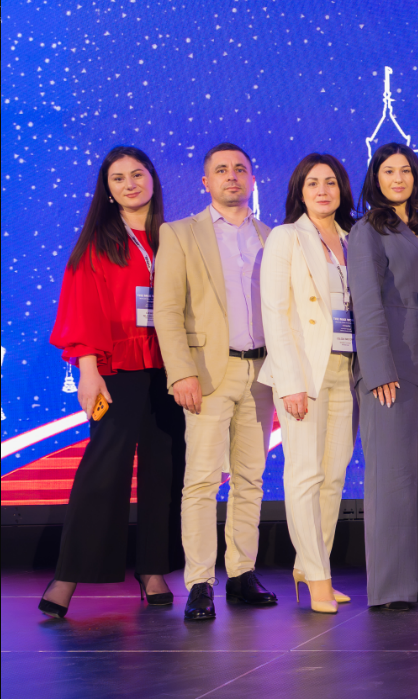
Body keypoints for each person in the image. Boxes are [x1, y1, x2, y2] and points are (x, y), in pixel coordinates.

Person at [40, 146, 186, 618]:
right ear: (107, 190)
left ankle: (154, 569)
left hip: (170, 366)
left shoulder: (173, 237)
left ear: (153, 180)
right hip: (115, 367)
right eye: (118, 178)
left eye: (137, 174)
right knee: (104, 470)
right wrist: (88, 370)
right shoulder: (98, 242)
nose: (129, 184)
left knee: (165, 469)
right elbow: (81, 309)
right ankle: (68, 575)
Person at [155, 143, 278, 621]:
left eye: (240, 169)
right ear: (206, 182)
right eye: (221, 170)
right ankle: (200, 582)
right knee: (202, 480)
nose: (232, 176)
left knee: (250, 478)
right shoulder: (180, 233)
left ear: (252, 178)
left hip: (261, 372)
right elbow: (167, 310)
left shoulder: (271, 236)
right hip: (207, 372)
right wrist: (181, 371)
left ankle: (242, 573)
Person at [258, 154, 359, 615]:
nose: (323, 190)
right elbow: (276, 314)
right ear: (300, 190)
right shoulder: (286, 237)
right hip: (304, 373)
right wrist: (290, 381)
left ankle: (312, 564)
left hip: (346, 369)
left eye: (331, 182)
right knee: (305, 474)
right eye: (313, 183)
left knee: (333, 477)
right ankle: (318, 577)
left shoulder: (352, 238)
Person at [351, 143, 418, 612]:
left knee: (415, 483)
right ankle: (389, 588)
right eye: (389, 171)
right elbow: (366, 303)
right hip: (389, 371)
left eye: (406, 170)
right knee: (390, 482)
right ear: (376, 179)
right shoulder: (367, 229)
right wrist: (378, 370)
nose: (399, 178)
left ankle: (414, 580)